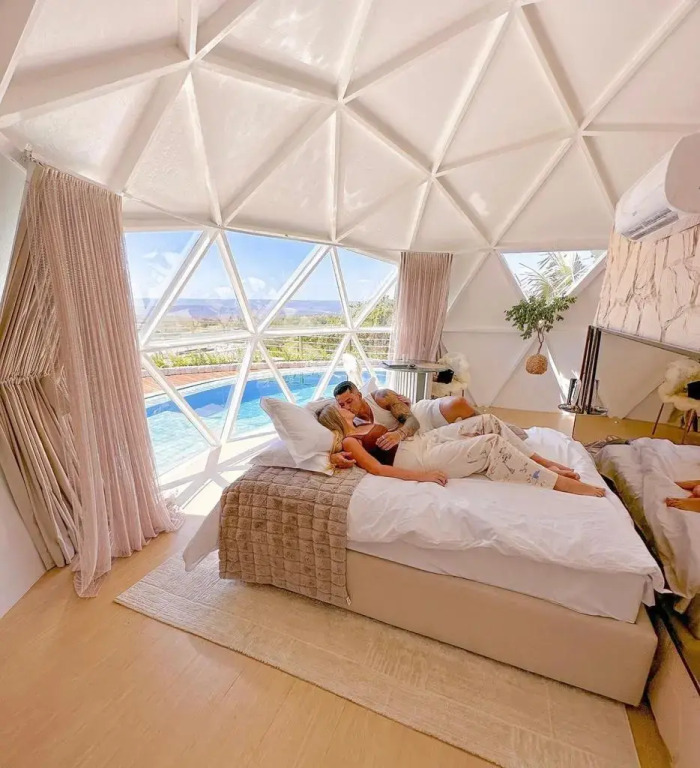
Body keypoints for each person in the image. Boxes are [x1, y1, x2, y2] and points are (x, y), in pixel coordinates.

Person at [317, 405, 605, 496]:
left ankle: (544, 462)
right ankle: (557, 482)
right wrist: (424, 477)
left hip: (423, 441)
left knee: (487, 422)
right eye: (339, 407)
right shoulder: (350, 441)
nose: (345, 407)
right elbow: (377, 469)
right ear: (335, 417)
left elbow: (405, 419)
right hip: (417, 459)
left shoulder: (364, 422)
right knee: (490, 444)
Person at [332, 380, 476, 455]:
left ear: (359, 395)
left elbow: (413, 421)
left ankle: (486, 423)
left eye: (349, 401)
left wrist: (399, 433)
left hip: (417, 417)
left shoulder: (381, 397)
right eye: (342, 404)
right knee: (462, 440)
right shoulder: (350, 422)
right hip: (409, 440)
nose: (347, 407)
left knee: (458, 404)